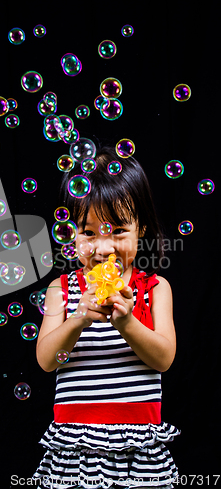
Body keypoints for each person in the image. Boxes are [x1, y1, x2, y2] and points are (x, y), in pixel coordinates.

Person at [32, 145, 180, 489]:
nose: (103, 247)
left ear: (140, 228)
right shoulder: (62, 288)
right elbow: (45, 360)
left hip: (138, 443)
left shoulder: (155, 289)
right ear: (72, 234)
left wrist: (127, 322)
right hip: (74, 442)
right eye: (88, 232)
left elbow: (164, 359)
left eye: (117, 231)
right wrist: (78, 318)